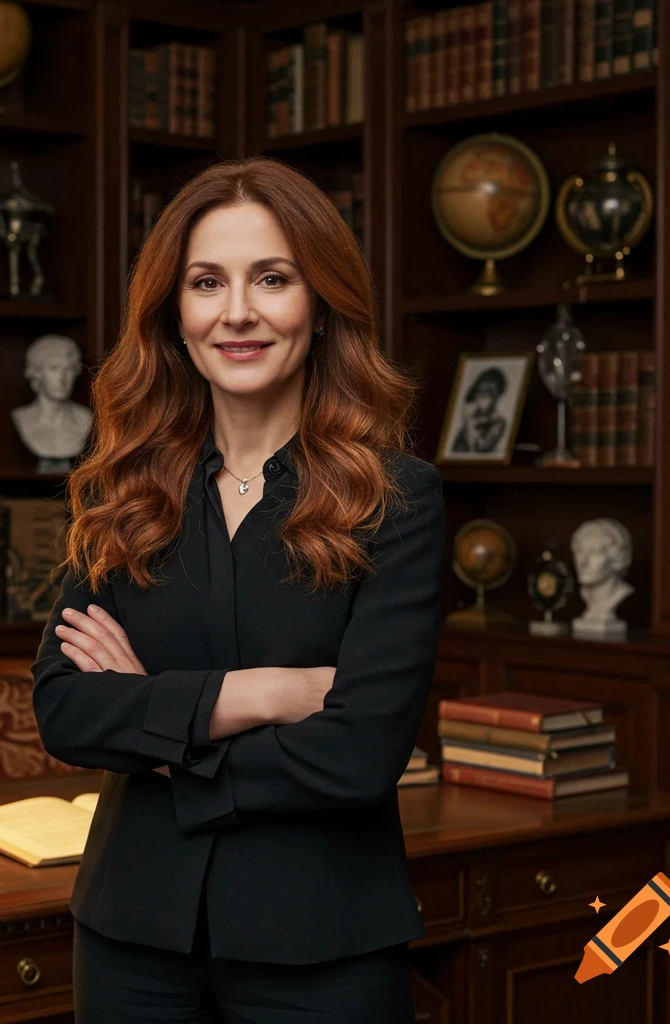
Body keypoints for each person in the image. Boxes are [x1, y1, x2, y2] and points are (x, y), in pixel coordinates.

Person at [31, 156, 445, 1023]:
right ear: (175, 316)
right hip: (130, 937)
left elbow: (361, 755)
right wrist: (271, 694)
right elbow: (67, 710)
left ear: (321, 304)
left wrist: (152, 718)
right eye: (207, 283)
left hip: (322, 944)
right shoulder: (124, 491)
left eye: (272, 278)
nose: (238, 312)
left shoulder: (396, 497)